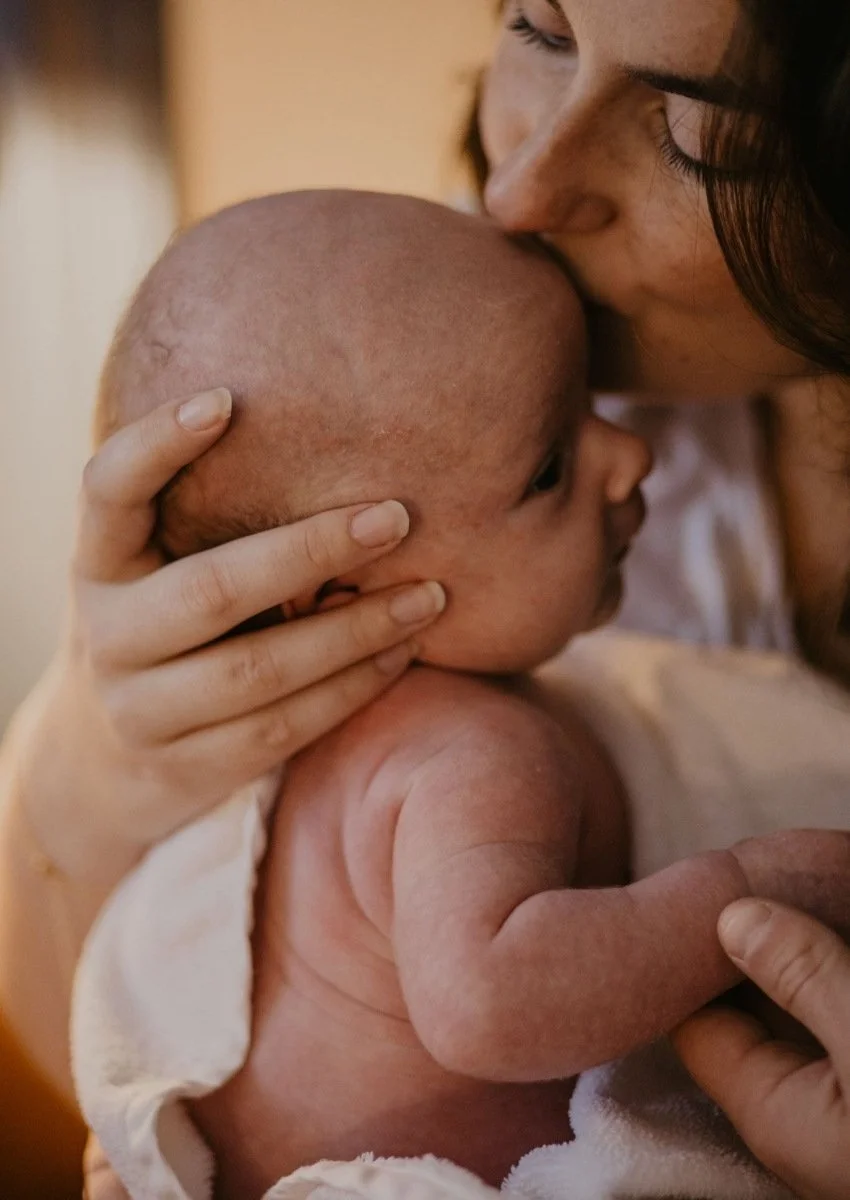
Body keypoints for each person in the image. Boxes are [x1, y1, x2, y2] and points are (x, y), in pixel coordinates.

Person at [1, 0, 849, 1194]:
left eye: (709, 141)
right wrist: (91, 773)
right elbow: (94, 1083)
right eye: (540, 27)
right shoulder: (433, 372)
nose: (520, 191)